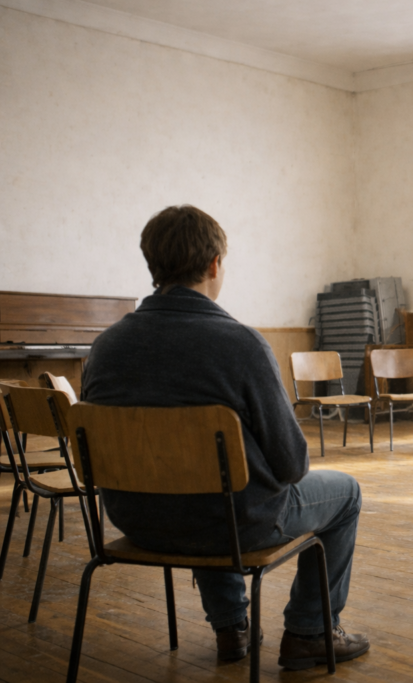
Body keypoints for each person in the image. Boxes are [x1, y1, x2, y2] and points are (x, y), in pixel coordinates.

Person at [82, 205, 369, 668]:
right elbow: (293, 466)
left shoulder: (105, 347)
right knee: (345, 493)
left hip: (135, 518)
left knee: (196, 485)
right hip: (232, 524)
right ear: (215, 264)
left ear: (152, 266)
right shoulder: (241, 345)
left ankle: (232, 629)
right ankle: (310, 631)